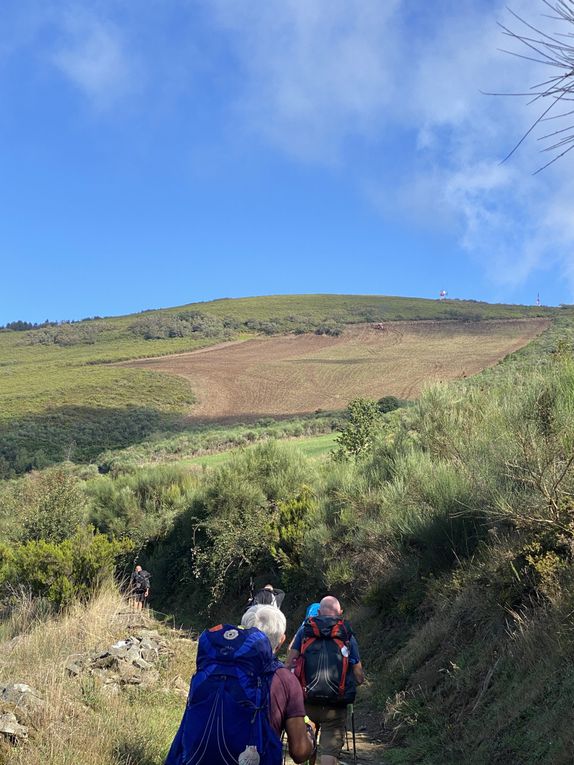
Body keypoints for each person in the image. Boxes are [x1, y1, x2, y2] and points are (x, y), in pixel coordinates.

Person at [164, 605, 315, 765]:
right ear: (282, 640)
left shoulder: (214, 666)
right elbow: (299, 752)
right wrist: (309, 734)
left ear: (243, 629)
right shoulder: (285, 679)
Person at [286, 596, 365, 765]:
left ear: (319, 612)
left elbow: (289, 663)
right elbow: (359, 676)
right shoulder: (347, 635)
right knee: (330, 751)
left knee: (308, 740)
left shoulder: (305, 631)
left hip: (306, 701)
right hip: (335, 706)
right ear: (340, 613)